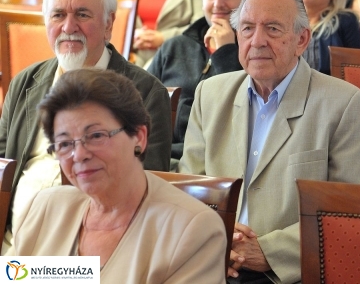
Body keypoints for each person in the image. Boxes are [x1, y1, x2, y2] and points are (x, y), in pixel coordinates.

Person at [179, 0, 360, 284]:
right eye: (247, 29)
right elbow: (191, 186)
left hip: (288, 273)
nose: (257, 41)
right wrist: (218, 238)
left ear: (301, 39)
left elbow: (354, 212)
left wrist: (269, 252)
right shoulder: (210, 93)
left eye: (272, 29)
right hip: (212, 258)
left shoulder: (345, 104)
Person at [0, 0, 171, 251]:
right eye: (58, 15)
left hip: (90, 254)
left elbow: (147, 194)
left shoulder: (146, 93)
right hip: (12, 244)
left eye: (82, 14)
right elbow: (2, 164)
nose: (69, 26)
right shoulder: (25, 82)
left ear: (108, 23)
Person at [11, 69, 227, 283]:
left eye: (96, 135)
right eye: (65, 143)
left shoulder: (192, 229)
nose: (79, 154)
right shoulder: (44, 208)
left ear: (139, 137)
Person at [148, 0, 249, 163]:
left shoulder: (255, 51)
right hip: (163, 157)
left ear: (247, 0)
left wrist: (227, 53)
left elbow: (243, 111)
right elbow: (140, 101)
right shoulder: (174, 47)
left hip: (218, 161)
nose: (218, 4)